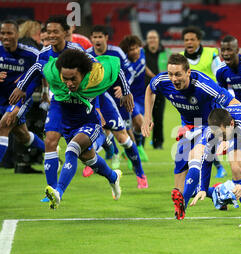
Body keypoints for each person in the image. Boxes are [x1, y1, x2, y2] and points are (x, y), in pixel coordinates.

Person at [141, 54, 240, 220]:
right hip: (189, 126)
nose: (173, 78)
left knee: (195, 155)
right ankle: (219, 193)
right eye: (171, 74)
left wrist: (234, 131)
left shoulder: (204, 85)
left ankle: (183, 206)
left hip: (211, 125)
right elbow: (150, 89)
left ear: (188, 72)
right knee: (180, 161)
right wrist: (147, 116)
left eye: (178, 74)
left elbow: (232, 102)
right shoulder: (162, 81)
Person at [9, 15, 93, 201]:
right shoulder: (44, 53)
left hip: (80, 104)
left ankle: (111, 174)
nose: (52, 35)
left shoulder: (77, 51)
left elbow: (95, 73)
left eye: (56, 31)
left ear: (65, 32)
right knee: (50, 141)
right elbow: (35, 74)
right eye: (49, 31)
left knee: (87, 155)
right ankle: (52, 190)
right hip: (58, 103)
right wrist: (22, 89)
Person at [42, 48, 133, 209]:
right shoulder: (56, 72)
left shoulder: (97, 75)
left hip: (89, 123)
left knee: (71, 150)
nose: (69, 83)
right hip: (68, 124)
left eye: (73, 79)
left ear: (83, 73)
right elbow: (37, 67)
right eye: (66, 79)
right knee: (89, 158)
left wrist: (126, 91)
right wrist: (21, 87)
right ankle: (113, 177)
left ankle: (58, 192)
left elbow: (116, 67)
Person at [87, 25, 148, 189]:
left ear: (106, 37)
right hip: (94, 99)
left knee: (123, 136)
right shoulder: (86, 55)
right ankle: (102, 155)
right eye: (94, 36)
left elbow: (128, 72)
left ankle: (140, 173)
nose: (97, 40)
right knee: (96, 130)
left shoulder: (116, 53)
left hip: (117, 98)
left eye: (100, 36)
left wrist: (124, 87)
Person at [180, 25, 226, 178]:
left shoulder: (210, 53)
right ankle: (203, 171)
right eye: (186, 40)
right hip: (189, 107)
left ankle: (222, 168)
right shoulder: (180, 58)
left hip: (210, 104)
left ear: (199, 40)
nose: (189, 42)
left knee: (210, 137)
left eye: (192, 39)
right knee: (195, 140)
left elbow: (219, 75)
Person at [0, 21, 45, 169]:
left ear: (17, 35)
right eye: (2, 33)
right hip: (1, 98)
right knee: (23, 135)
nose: (5, 37)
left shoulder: (31, 54)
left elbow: (41, 74)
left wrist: (19, 104)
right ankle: (50, 150)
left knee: (3, 126)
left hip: (20, 99)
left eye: (9, 33)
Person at [143, 29, 170, 150]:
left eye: (154, 38)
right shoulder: (142, 52)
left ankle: (158, 143)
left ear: (158, 40)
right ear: (147, 40)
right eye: (150, 38)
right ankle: (140, 143)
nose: (152, 40)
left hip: (160, 89)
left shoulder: (166, 52)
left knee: (158, 118)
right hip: (144, 90)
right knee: (143, 118)